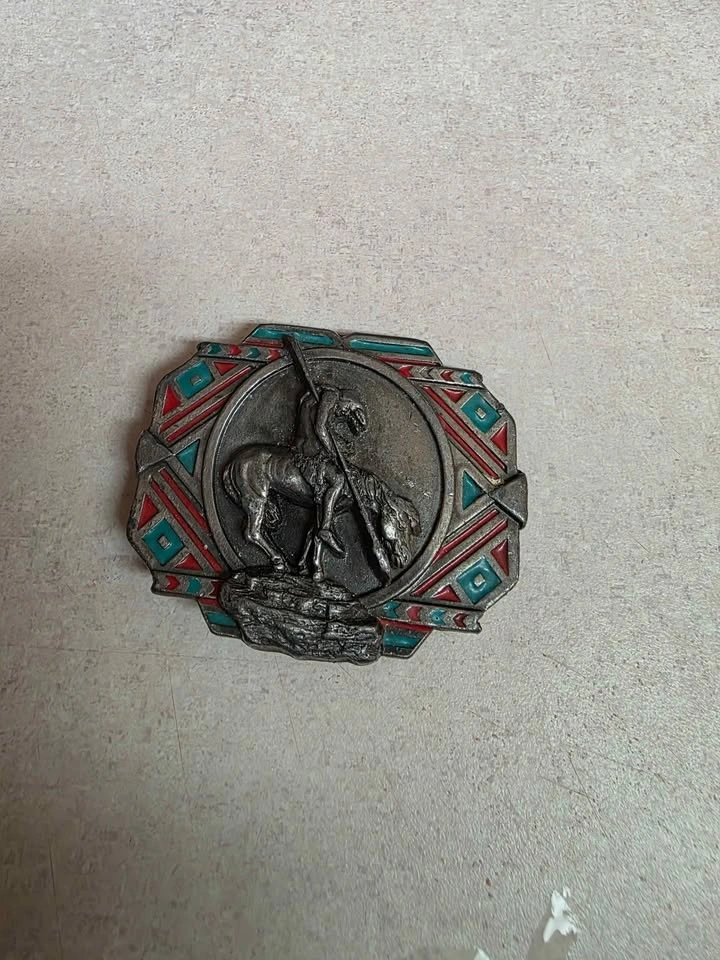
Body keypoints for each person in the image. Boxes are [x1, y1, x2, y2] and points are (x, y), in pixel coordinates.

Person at [292, 385, 367, 558]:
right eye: (347, 409)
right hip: (310, 450)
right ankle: (325, 528)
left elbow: (321, 427)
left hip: (306, 444)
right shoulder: (331, 395)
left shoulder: (315, 398)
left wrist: (339, 442)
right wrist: (334, 453)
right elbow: (320, 428)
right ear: (347, 401)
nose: (342, 413)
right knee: (338, 480)